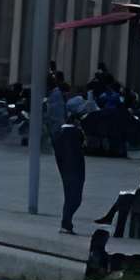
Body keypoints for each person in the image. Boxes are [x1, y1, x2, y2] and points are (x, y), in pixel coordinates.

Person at [52, 94, 90, 234]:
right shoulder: (71, 133)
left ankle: (66, 224)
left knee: (72, 197)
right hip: (73, 170)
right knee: (74, 198)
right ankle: (66, 224)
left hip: (69, 169)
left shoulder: (63, 132)